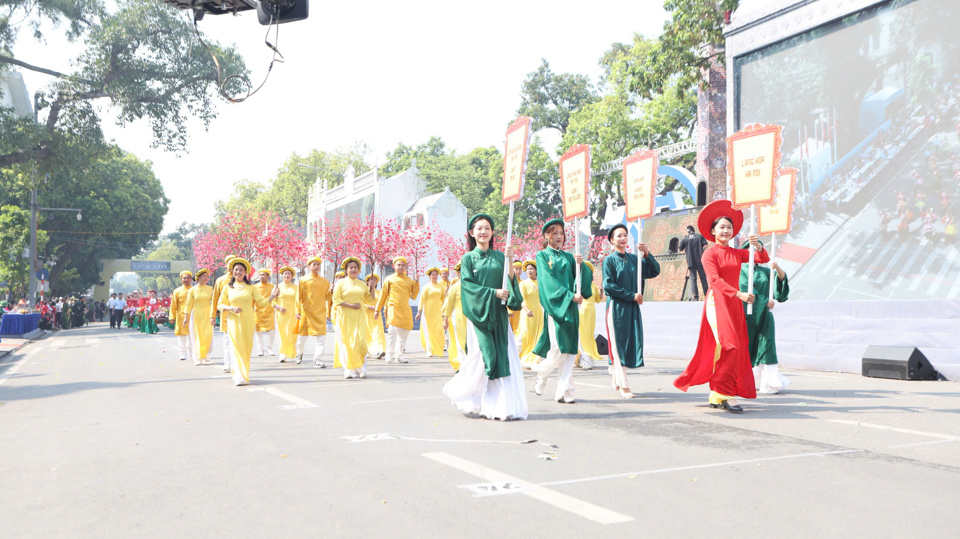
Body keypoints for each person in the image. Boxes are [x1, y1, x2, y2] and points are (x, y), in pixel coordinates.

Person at [674, 200, 768, 413]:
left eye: (729, 227)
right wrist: (738, 293)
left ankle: (717, 395)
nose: (726, 231)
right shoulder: (709, 254)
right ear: (713, 231)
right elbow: (714, 280)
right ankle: (725, 392)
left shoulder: (736, 253)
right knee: (729, 345)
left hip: (735, 303)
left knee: (734, 347)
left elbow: (760, 259)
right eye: (722, 227)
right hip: (718, 302)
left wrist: (758, 245)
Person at [442, 213, 527, 421]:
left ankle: (498, 405)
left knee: (501, 357)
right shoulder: (468, 258)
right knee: (485, 356)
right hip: (479, 316)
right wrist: (493, 293)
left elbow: (510, 283)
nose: (483, 232)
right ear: (472, 233)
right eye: (479, 228)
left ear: (492, 232)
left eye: (487, 228)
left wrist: (510, 260)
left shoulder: (500, 257)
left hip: (499, 315)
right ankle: (467, 394)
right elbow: (468, 288)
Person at [532, 218, 592, 404]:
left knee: (571, 349)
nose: (559, 237)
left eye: (561, 233)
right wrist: (568, 295)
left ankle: (565, 392)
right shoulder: (542, 256)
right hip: (555, 306)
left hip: (572, 307)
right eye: (554, 233)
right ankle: (542, 374)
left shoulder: (569, 257)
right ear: (546, 236)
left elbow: (581, 280)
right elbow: (547, 281)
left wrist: (581, 266)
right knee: (558, 347)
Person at [603, 223, 661, 398]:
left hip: (632, 306)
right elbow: (608, 285)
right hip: (617, 307)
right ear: (612, 240)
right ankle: (624, 385)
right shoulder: (609, 260)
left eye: (625, 235)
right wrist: (630, 295)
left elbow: (654, 271)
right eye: (618, 236)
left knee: (629, 343)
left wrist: (647, 254)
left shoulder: (635, 259)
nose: (622, 238)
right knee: (618, 344)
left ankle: (616, 374)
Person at [218, 258, 280, 386]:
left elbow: (262, 303)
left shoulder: (251, 287)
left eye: (241, 270)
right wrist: (231, 308)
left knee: (246, 348)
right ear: (233, 272)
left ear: (245, 272)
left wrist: (273, 296)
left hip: (248, 320)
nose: (238, 272)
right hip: (233, 321)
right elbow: (220, 304)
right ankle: (238, 376)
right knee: (236, 347)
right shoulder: (227, 288)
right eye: (236, 270)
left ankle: (243, 373)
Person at [739, 245, 791, 394]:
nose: (752, 253)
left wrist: (777, 268)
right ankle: (743, 381)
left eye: (755, 250)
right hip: (745, 314)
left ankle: (769, 383)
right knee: (745, 347)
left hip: (764, 315)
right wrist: (764, 300)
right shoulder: (739, 270)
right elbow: (743, 288)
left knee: (767, 346)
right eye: (749, 250)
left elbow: (780, 289)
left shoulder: (766, 271)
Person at [375, 256, 419, 364]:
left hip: (405, 309)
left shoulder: (409, 280)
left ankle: (399, 355)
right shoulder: (389, 279)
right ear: (394, 266)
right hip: (393, 308)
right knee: (392, 332)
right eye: (398, 265)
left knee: (403, 334)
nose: (400, 267)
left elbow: (414, 296)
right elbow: (383, 295)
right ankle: (389, 354)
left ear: (406, 267)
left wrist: (416, 282)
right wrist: (377, 309)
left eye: (403, 265)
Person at [333, 257, 372, 379]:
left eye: (355, 267)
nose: (353, 269)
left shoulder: (362, 284)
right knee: (347, 343)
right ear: (346, 270)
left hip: (359, 316)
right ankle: (349, 369)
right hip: (345, 317)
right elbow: (336, 300)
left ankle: (361, 368)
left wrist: (372, 287)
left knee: (361, 343)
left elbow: (370, 299)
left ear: (359, 270)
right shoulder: (340, 283)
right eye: (350, 267)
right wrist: (350, 306)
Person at [296, 256, 332, 368]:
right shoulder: (303, 280)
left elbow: (328, 298)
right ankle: (299, 353)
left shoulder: (325, 281)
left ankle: (318, 359)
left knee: (321, 338)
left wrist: (331, 291)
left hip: (320, 312)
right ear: (309, 266)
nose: (316, 266)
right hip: (306, 313)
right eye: (314, 264)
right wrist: (298, 311)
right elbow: (298, 297)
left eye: (318, 264)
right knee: (301, 339)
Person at [577, 261, 604, 369]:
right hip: (580, 310)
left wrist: (601, 292)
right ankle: (585, 358)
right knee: (582, 334)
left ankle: (581, 358)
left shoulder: (593, 285)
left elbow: (598, 299)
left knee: (589, 334)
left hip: (591, 312)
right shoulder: (578, 284)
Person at [517, 260, 544, 369]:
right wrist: (527, 310)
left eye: (532, 269)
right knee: (524, 335)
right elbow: (521, 300)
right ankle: (511, 358)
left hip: (538, 313)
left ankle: (534, 359)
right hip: (526, 313)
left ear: (536, 271)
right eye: (527, 269)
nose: (529, 271)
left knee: (538, 336)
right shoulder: (523, 284)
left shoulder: (540, 283)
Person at [212, 255, 237, 373]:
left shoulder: (241, 280)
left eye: (233, 264)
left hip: (239, 314)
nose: (231, 266)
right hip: (226, 314)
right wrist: (213, 315)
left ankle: (237, 362)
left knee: (238, 340)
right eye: (229, 263)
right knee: (227, 339)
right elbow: (215, 299)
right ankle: (227, 362)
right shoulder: (220, 280)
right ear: (226, 265)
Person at [185, 268, 214, 366]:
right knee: (196, 335)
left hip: (207, 314)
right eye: (205, 276)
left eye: (207, 276)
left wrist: (214, 314)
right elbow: (188, 304)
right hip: (196, 315)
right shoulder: (192, 290)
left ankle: (205, 353)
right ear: (199, 277)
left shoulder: (210, 289)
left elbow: (213, 302)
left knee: (207, 334)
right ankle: (197, 357)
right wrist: (186, 317)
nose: (206, 278)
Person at [442, 263, 467, 371]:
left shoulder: (474, 286)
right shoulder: (455, 287)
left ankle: (471, 365)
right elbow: (448, 305)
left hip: (472, 319)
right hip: (459, 318)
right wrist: (445, 320)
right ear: (458, 273)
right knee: (460, 341)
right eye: (461, 271)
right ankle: (462, 365)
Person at [416, 267, 445, 358]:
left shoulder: (441, 286)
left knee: (438, 330)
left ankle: (438, 349)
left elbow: (443, 299)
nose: (434, 276)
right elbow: (422, 299)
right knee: (428, 330)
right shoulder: (426, 287)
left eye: (436, 274)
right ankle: (429, 350)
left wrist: (445, 310)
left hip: (438, 310)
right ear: (429, 276)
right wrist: (419, 311)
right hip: (428, 310)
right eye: (433, 274)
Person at [273, 266, 298, 363]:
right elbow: (272, 302)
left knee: (292, 334)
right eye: (285, 274)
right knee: (282, 334)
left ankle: (294, 352)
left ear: (292, 276)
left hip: (293, 314)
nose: (287, 275)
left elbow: (299, 301)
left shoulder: (296, 288)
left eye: (289, 274)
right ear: (282, 276)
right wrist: (279, 308)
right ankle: (282, 355)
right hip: (281, 314)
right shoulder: (277, 287)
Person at [679, 224, 709, 300]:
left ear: (688, 231)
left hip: (690, 261)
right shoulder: (699, 236)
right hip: (700, 260)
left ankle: (696, 297)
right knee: (703, 278)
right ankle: (707, 294)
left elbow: (680, 249)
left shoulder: (685, 239)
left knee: (693, 279)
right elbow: (705, 245)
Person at [170, 271, 194, 359]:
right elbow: (173, 305)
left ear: (191, 279)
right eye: (184, 278)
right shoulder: (177, 291)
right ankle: (182, 353)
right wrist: (172, 317)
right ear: (181, 280)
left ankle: (191, 351)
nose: (186, 280)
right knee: (181, 336)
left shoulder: (194, 290)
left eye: (188, 278)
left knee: (192, 334)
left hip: (192, 315)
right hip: (181, 316)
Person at [254, 269, 276, 357]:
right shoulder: (255, 287)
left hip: (269, 311)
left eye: (264, 275)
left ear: (268, 276)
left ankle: (269, 348)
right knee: (258, 332)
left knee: (272, 332)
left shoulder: (273, 287)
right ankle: (260, 349)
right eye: (260, 275)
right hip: (258, 311)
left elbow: (275, 298)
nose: (261, 277)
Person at [364, 274, 386, 360]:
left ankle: (380, 350)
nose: (373, 281)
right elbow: (360, 302)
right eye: (371, 279)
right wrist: (369, 307)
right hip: (366, 315)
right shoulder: (364, 291)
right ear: (367, 281)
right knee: (367, 333)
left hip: (376, 315)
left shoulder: (379, 292)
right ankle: (367, 351)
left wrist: (378, 308)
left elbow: (382, 302)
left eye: (375, 280)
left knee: (378, 332)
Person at [507, 260, 523, 335]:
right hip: (511, 311)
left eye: (520, 268)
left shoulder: (523, 282)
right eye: (516, 268)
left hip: (521, 311)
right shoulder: (508, 283)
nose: (518, 271)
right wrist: (508, 310)